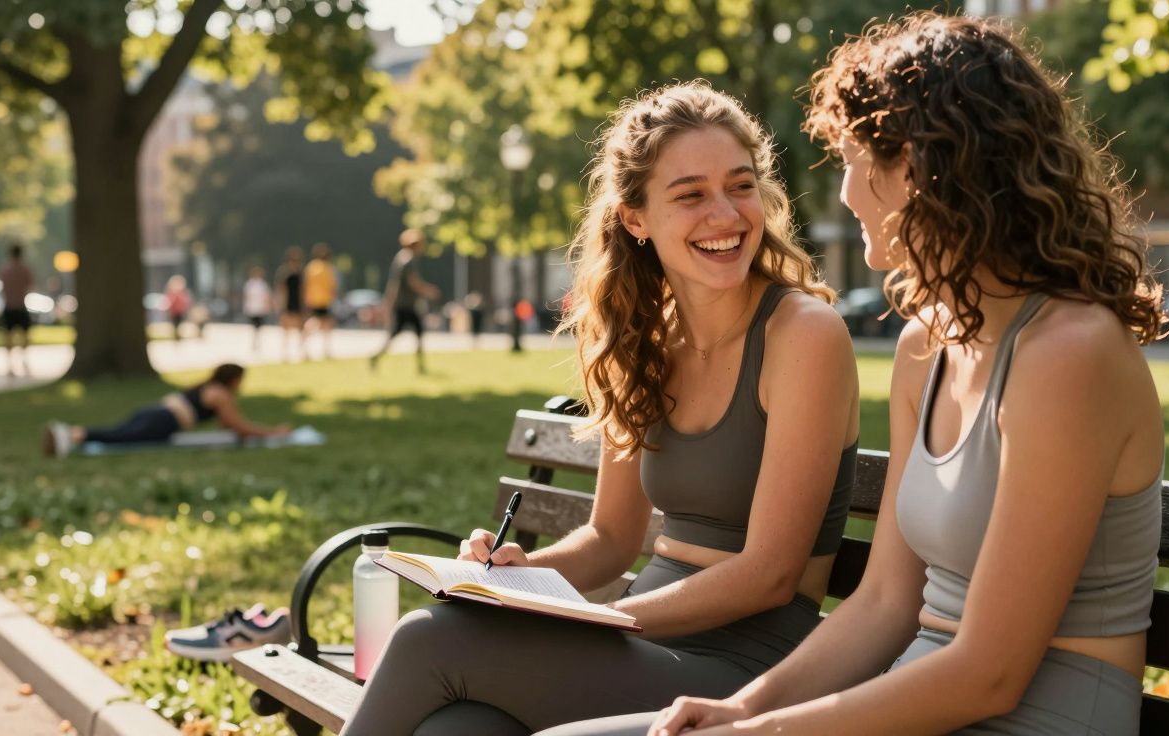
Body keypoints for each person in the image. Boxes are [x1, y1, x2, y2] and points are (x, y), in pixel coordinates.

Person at [546, 13, 1169, 736]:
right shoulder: (924, 349)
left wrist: (762, 732)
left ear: (921, 165)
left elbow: (990, 676)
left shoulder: (1071, 354)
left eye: (849, 156)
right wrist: (742, 708)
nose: (840, 190)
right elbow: (882, 607)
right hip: (916, 701)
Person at [339, 81, 860, 736]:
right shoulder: (642, 338)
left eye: (741, 185)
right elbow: (611, 540)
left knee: (426, 643)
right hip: (642, 639)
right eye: (691, 194)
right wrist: (520, 577)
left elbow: (770, 575)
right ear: (636, 218)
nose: (725, 214)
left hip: (747, 671)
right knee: (461, 727)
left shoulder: (803, 334)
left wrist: (598, 619)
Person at [42, 363, 290, 458]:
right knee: (122, 438)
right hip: (164, 421)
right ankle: (71, 435)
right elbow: (237, 425)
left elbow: (228, 426)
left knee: (118, 432)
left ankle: (70, 433)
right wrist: (272, 433)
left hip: (154, 411)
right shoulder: (220, 394)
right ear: (233, 379)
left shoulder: (207, 387)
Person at [370, 229, 441, 373]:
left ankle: (418, 366)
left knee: (407, 334)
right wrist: (429, 291)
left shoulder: (401, 258)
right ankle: (419, 367)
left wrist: (388, 303)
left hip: (405, 305)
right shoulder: (408, 260)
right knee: (412, 333)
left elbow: (393, 285)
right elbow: (413, 283)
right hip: (406, 305)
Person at [0, 243, 34, 377]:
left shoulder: (5, 269)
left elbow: (2, 287)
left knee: (8, 336)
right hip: (21, 306)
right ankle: (23, 359)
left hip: (8, 306)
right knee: (25, 334)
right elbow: (30, 285)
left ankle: (10, 365)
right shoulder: (25, 269)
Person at [303, 242, 339, 360]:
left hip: (313, 300)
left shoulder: (311, 267)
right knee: (324, 325)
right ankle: (325, 350)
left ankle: (323, 349)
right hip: (324, 300)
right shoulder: (327, 267)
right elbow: (332, 285)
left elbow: (306, 284)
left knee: (321, 324)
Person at [275, 247, 306, 361]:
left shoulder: (300, 274)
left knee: (301, 330)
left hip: (297, 304)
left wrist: (304, 306)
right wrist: (280, 306)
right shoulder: (284, 273)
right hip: (287, 304)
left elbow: (303, 291)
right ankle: (285, 353)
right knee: (286, 331)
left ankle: (302, 352)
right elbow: (281, 290)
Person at [242, 265, 274, 352]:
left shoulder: (263, 284)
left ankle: (257, 340)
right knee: (254, 326)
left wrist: (267, 306)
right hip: (252, 309)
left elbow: (266, 296)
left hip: (260, 309)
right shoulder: (249, 284)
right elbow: (246, 296)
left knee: (258, 326)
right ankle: (255, 340)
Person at [163, 274, 192, 341]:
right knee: (175, 324)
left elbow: (185, 301)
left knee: (178, 324)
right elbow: (169, 301)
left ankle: (177, 335)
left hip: (179, 311)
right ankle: (176, 335)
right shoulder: (172, 293)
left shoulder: (182, 293)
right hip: (174, 311)